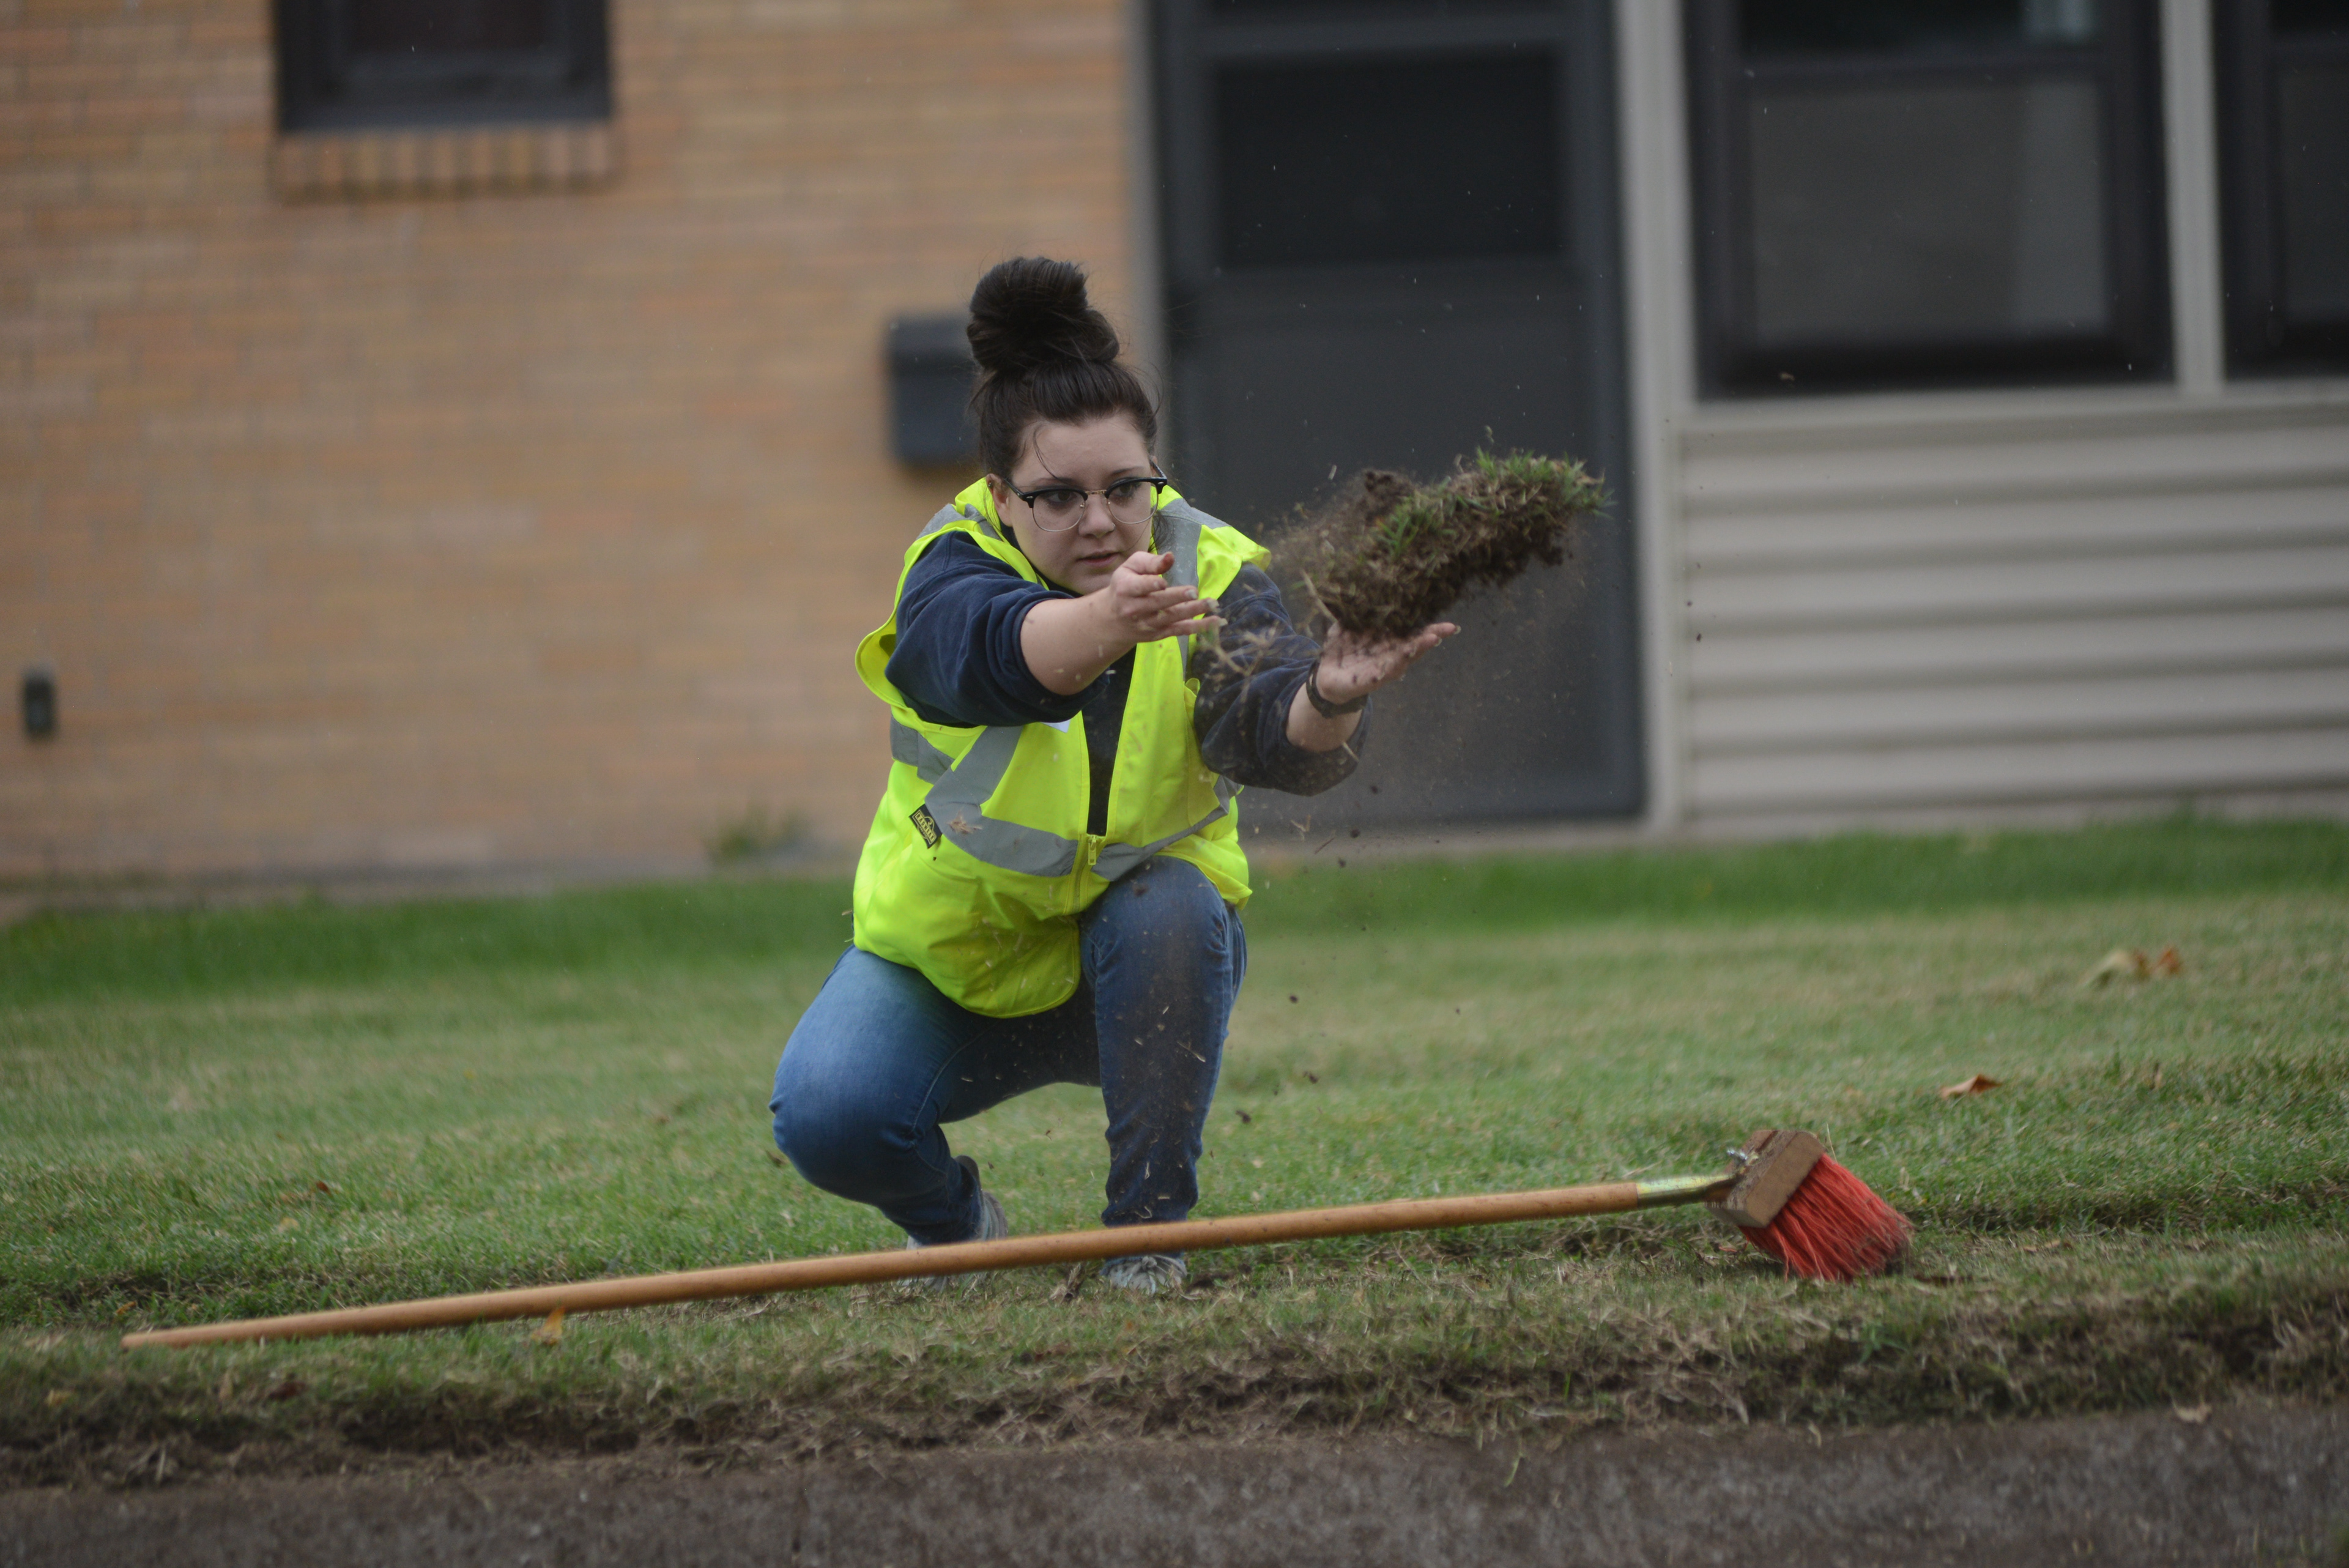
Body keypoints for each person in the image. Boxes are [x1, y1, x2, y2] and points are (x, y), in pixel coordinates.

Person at [769, 257, 1455, 1293]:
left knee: (1171, 897)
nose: (1100, 520)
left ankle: (1142, 1240)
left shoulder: (1216, 568)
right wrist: (1108, 621)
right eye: (1060, 497)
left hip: (1142, 971)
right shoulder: (948, 566)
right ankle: (958, 1229)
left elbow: (1262, 735)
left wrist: (1332, 695)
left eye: (1126, 488)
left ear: (1155, 476)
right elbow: (987, 654)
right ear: (1002, 498)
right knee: (825, 1115)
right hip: (956, 967)